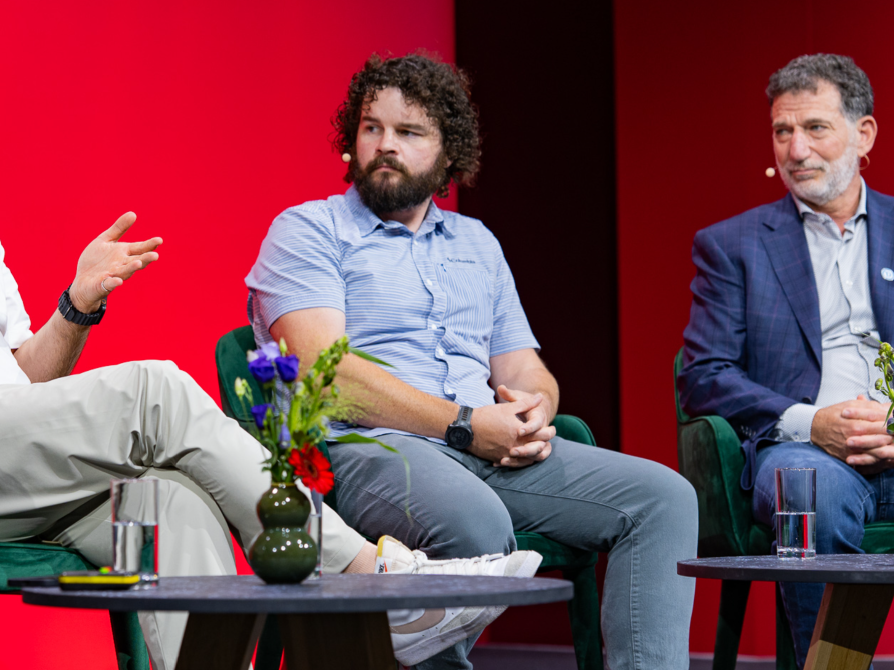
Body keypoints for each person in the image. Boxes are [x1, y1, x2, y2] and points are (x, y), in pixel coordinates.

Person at [0, 0, 540, 669]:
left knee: (174, 498)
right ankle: (374, 580)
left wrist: (76, 307)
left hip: (2, 456)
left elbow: (26, 381)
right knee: (153, 390)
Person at [247, 53, 698, 670]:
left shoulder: (476, 243)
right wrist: (463, 423)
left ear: (447, 153)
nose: (385, 145)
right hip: (365, 449)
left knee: (664, 498)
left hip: (482, 444)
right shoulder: (308, 231)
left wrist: (535, 411)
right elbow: (328, 378)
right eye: (372, 127)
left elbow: (523, 369)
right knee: (474, 524)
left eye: (409, 133)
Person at [681, 53, 889, 663]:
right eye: (782, 131)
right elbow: (704, 377)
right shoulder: (733, 245)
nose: (795, 150)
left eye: (815, 128)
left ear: (864, 133)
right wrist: (811, 422)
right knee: (811, 493)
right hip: (805, 453)